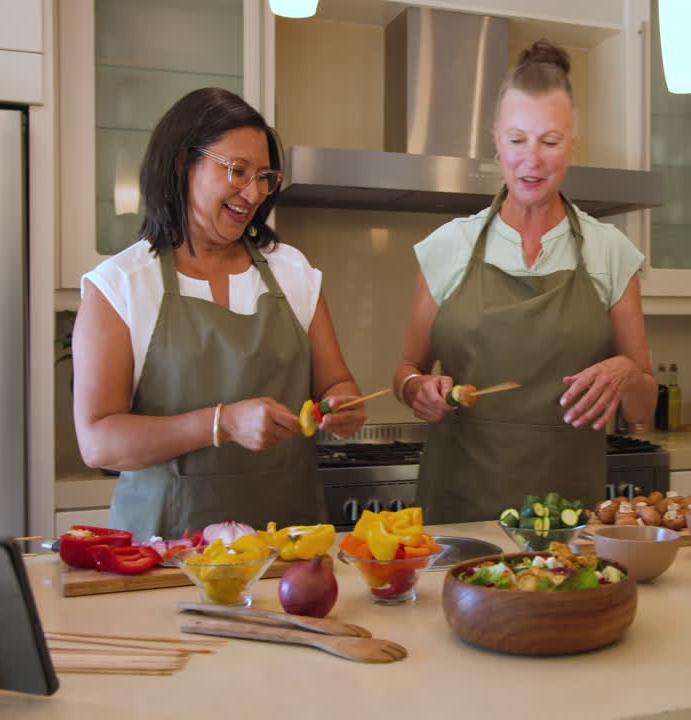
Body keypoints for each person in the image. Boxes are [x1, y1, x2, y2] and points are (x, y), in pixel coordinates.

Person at [73, 88, 367, 539]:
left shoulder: (294, 273)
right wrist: (222, 423)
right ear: (180, 164)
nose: (252, 193)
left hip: (287, 545)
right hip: (165, 550)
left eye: (265, 176)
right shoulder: (122, 284)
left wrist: (344, 405)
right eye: (237, 171)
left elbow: (336, 384)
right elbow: (98, 442)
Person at [392, 40, 659, 524]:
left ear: (573, 143)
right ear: (495, 139)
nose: (531, 159)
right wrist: (418, 390)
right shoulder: (448, 246)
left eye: (549, 141)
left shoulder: (610, 252)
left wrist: (625, 371)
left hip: (568, 521)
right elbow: (408, 369)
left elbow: (644, 407)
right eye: (517, 140)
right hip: (458, 514)